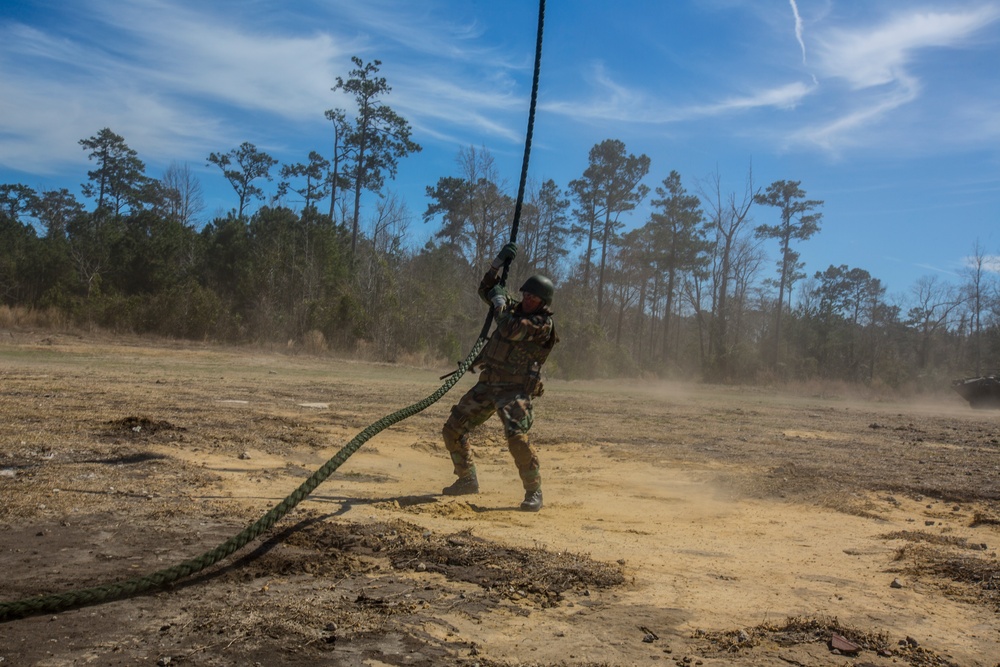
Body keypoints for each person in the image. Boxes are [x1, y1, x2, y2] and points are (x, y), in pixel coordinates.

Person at [440, 242, 558, 512]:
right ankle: (467, 479)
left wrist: (499, 301)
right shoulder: (513, 309)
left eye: (534, 298)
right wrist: (496, 264)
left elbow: (510, 329)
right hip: (489, 384)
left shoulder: (542, 324)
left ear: (543, 303)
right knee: (452, 429)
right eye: (526, 294)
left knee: (517, 438)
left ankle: (534, 492)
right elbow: (486, 289)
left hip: (515, 391)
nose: (528, 299)